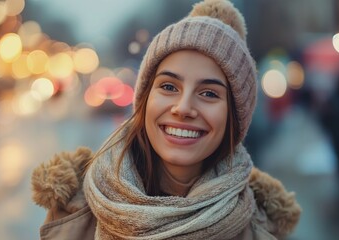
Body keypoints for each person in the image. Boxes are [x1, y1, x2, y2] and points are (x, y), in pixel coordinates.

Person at [32, 0, 301, 239]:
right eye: (169, 87)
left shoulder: (262, 230)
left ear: (234, 116)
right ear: (145, 98)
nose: (183, 108)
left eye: (208, 93)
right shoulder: (74, 210)